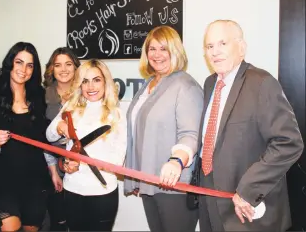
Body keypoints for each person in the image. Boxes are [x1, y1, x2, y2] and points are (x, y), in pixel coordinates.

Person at [196, 19, 304, 231]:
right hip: (210, 197)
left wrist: (249, 189)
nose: (215, 52)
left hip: (246, 205)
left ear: (241, 48)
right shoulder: (210, 84)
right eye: (210, 46)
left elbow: (289, 143)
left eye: (223, 44)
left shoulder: (262, 83)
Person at [124, 25, 203, 232]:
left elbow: (191, 135)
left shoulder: (186, 86)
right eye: (152, 48)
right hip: (151, 181)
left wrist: (177, 161)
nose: (157, 55)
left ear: (175, 51)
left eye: (163, 49)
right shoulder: (150, 83)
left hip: (175, 186)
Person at [0, 42, 52, 231]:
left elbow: (45, 137)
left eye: (29, 65)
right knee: (10, 227)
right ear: (10, 63)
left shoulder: (40, 96)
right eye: (19, 62)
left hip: (34, 179)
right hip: (0, 178)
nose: (23, 70)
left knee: (31, 228)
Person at [46, 59, 126, 231]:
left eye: (96, 80)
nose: (91, 87)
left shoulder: (116, 114)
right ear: (79, 85)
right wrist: (59, 127)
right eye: (85, 81)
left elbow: (117, 160)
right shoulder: (71, 107)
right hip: (72, 191)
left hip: (102, 193)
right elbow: (49, 136)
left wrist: (78, 163)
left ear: (106, 82)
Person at [42, 47, 80, 231]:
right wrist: (54, 172)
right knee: (58, 219)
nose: (63, 69)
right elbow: (41, 136)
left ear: (75, 67)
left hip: (80, 164)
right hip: (52, 164)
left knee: (79, 218)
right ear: (51, 69)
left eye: (68, 64)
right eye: (58, 65)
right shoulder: (43, 95)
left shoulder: (86, 92)